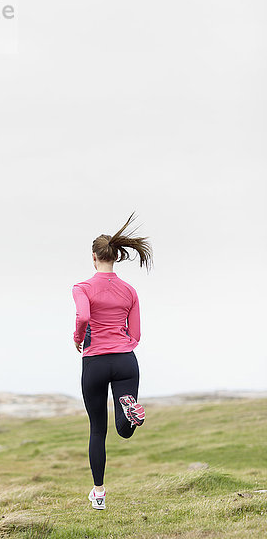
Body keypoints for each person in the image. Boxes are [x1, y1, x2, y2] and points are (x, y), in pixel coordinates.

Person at [72, 211, 153, 510]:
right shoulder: (129, 290)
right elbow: (137, 333)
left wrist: (79, 337)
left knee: (98, 430)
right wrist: (124, 347)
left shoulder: (82, 288)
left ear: (94, 257)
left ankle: (99, 493)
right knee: (123, 429)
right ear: (115, 257)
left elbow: (83, 316)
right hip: (124, 360)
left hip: (95, 362)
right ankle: (130, 410)